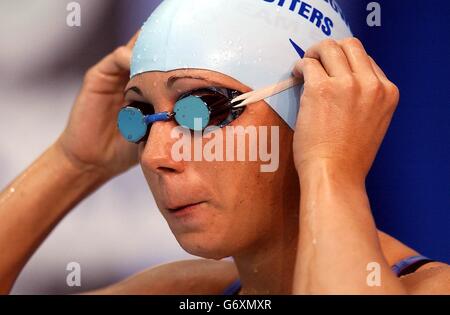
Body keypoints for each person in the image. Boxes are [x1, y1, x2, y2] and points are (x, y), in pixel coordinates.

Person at [0, 0, 448, 295]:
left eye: (205, 110)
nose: (157, 156)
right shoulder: (187, 293)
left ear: (314, 108)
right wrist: (74, 164)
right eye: (139, 115)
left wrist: (331, 169)